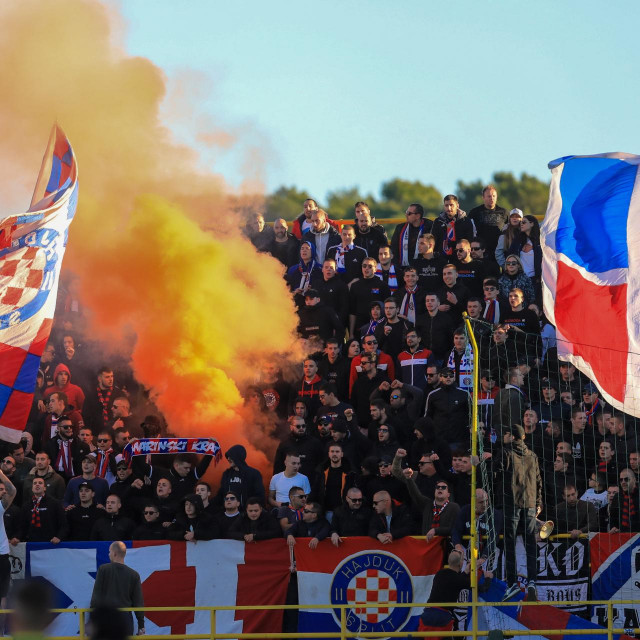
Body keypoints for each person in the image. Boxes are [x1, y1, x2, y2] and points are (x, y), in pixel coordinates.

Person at [497, 425, 543, 602]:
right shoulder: (532, 456)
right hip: (530, 504)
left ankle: (511, 584)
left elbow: (497, 473)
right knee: (530, 544)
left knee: (510, 544)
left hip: (512, 504)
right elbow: (539, 480)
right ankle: (532, 581)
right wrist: (538, 503)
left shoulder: (506, 452)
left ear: (512, 436)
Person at [90, 541, 145, 636]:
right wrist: (141, 625)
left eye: (109, 552)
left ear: (114, 553)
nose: (108, 554)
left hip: (105, 619)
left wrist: (92, 620)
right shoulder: (134, 575)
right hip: (125, 621)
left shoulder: (103, 569)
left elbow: (96, 596)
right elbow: (138, 602)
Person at [14, 476, 67, 544]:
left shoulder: (55, 503)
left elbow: (63, 525)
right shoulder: (26, 506)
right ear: (32, 488)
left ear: (45, 488)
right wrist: (17, 537)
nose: (37, 484)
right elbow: (22, 526)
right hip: (32, 543)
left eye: (40, 483)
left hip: (51, 543)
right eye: (35, 483)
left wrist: (59, 537)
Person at [349, 258, 391, 337]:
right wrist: (351, 333)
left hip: (378, 326)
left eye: (370, 266)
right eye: (364, 266)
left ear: (375, 269)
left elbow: (388, 308)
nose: (366, 268)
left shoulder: (383, 285)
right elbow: (352, 311)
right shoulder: (355, 286)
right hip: (360, 326)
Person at [469, 184, 509, 256]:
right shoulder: (475, 212)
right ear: (483, 198)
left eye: (494, 196)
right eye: (489, 196)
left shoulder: (504, 212)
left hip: (498, 251)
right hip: (481, 252)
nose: (492, 198)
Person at [415, 293, 456, 363]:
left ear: (438, 303)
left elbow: (451, 338)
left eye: (432, 300)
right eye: (427, 301)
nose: (429, 302)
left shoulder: (447, 319)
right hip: (424, 357)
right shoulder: (420, 319)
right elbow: (417, 337)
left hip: (442, 358)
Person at [390, 203, 431, 268]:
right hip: (403, 268)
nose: (406, 215)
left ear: (417, 216)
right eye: (406, 212)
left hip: (423, 267)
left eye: (409, 213)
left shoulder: (430, 227)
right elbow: (394, 249)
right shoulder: (400, 228)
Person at [315, 259, 350, 328]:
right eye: (326, 267)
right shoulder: (316, 284)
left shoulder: (341, 285)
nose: (329, 269)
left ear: (335, 270)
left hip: (334, 324)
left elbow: (344, 308)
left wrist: (337, 325)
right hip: (318, 323)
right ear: (322, 269)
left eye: (331, 268)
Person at [0, 466, 16, 613]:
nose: (3, 492)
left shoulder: (0, 506)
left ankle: (1, 633)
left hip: (1, 555)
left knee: (2, 595)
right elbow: (10, 490)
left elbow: (11, 490)